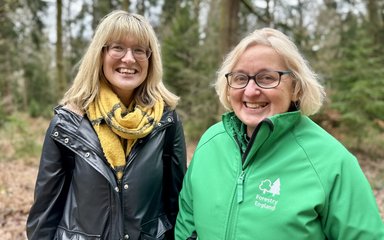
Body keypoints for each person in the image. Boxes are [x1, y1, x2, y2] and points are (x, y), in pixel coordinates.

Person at [175, 28, 384, 240]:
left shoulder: (332, 162)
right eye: (240, 78)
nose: (250, 91)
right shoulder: (210, 143)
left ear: (296, 88)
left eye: (266, 78)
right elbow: (186, 223)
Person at [26, 10, 187, 240]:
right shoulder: (68, 123)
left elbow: (177, 207)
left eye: (139, 50)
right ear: (100, 54)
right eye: (117, 47)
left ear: (150, 60)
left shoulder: (166, 122)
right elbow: (44, 214)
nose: (129, 58)